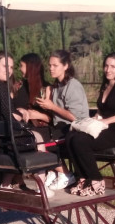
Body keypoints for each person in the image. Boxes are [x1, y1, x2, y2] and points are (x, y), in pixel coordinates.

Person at [0, 51, 52, 193]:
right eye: (5, 66)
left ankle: (5, 184)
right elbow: (10, 116)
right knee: (37, 138)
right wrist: (22, 114)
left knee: (27, 137)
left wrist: (17, 114)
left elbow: (5, 112)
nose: (9, 71)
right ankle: (42, 185)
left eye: (11, 67)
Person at [66, 52, 115, 197]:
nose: (108, 69)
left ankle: (96, 180)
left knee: (80, 140)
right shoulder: (105, 85)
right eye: (106, 65)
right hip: (103, 128)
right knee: (70, 137)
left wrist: (106, 121)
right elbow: (101, 110)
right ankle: (82, 178)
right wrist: (93, 119)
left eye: (113, 66)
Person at [34, 49, 90, 190]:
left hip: (74, 128)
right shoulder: (57, 86)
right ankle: (53, 170)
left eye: (55, 65)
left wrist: (52, 106)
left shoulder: (73, 86)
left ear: (65, 66)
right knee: (33, 133)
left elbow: (74, 117)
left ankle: (65, 173)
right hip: (59, 126)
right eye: (50, 65)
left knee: (39, 139)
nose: (51, 69)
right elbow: (55, 114)